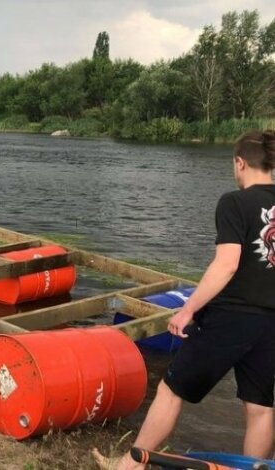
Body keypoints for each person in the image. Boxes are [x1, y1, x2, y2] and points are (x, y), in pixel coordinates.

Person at [94, 130, 275, 469]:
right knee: (260, 406)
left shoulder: (235, 202)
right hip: (270, 321)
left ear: (240, 162)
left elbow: (226, 265)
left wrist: (187, 310)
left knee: (171, 389)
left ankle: (129, 466)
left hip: (229, 317)